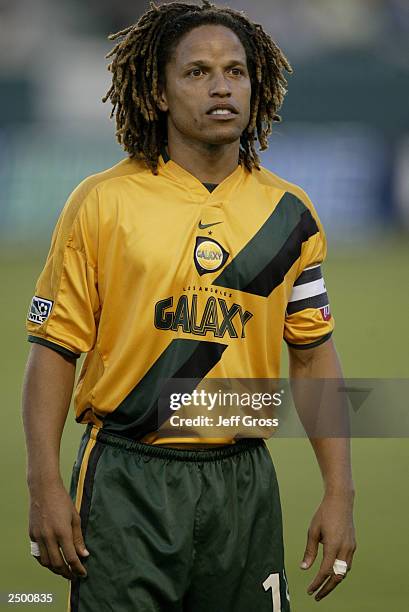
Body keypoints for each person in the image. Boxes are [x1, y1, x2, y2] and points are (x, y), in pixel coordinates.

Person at [22, 1, 356, 610]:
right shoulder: (102, 203)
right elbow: (53, 351)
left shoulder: (290, 215)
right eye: (197, 72)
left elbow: (313, 359)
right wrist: (43, 484)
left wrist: (340, 492)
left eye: (235, 70)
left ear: (256, 88)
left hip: (243, 482)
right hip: (126, 478)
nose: (221, 86)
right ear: (157, 93)